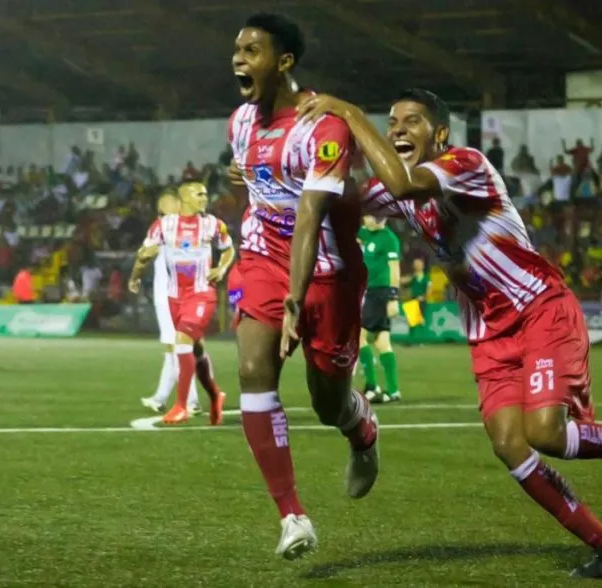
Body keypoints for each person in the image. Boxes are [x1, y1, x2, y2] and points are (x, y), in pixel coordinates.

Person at [297, 88, 602, 578]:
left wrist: (350, 110)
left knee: (545, 434)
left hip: (539, 310)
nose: (398, 129)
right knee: (511, 444)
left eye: (412, 122)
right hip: (490, 331)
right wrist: (273, 178)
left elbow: (403, 185)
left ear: (440, 135)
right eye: (392, 122)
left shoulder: (464, 163)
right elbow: (338, 197)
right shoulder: (396, 184)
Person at [228, 12, 379, 560]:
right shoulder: (240, 123)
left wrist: (297, 298)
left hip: (329, 278)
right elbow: (259, 183)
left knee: (327, 402)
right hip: (264, 260)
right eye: (237, 51)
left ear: (284, 61)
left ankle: (361, 430)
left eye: (252, 52)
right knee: (252, 368)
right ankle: (292, 516)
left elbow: (313, 217)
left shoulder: (324, 126)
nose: (239, 61)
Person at [128, 181, 233, 425]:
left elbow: (228, 249)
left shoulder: (213, 224)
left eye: (206, 193)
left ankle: (182, 405)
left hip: (202, 293)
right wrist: (135, 274)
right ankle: (215, 394)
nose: (205, 198)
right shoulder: (164, 226)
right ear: (184, 197)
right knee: (195, 349)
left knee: (182, 342)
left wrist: (222, 267)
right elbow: (143, 254)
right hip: (175, 297)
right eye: (200, 194)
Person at [138, 192, 200, 415]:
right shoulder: (195, 227)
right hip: (187, 292)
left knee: (176, 347)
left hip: (167, 293)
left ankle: (191, 401)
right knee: (174, 348)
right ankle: (160, 397)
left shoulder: (162, 226)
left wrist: (136, 270)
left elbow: (145, 253)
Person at [356, 214, 402, 403]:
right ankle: (393, 391)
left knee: (358, 336)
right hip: (369, 291)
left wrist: (393, 297)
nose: (368, 220)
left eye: (372, 217)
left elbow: (394, 269)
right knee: (382, 342)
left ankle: (372, 386)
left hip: (380, 293)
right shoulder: (365, 233)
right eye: (366, 216)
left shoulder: (389, 239)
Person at [404, 258, 431, 343]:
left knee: (421, 320)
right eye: (415, 264)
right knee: (411, 321)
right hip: (413, 300)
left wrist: (423, 297)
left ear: (422, 266)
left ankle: (421, 340)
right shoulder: (413, 277)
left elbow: (429, 290)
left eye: (418, 264)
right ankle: (411, 340)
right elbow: (403, 282)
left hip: (422, 301)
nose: (417, 266)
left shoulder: (426, 277)